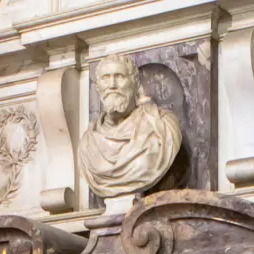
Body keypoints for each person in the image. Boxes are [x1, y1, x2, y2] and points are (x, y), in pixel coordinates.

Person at [77, 54, 182, 198]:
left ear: (135, 84)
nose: (112, 85)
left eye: (119, 76)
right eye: (105, 78)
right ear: (98, 87)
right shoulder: (87, 143)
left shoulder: (161, 126)